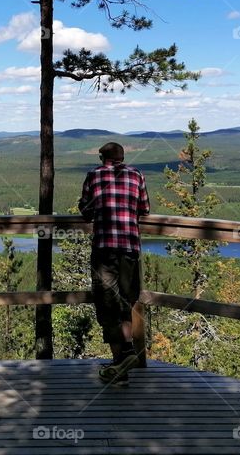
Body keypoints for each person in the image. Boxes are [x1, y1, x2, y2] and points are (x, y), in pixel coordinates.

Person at [78, 141, 150, 386]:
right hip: (129, 248)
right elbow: (145, 208)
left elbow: (85, 211)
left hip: (104, 250)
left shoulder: (94, 176)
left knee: (108, 305)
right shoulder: (137, 175)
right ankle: (123, 362)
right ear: (122, 157)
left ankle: (122, 358)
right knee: (127, 302)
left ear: (102, 157)